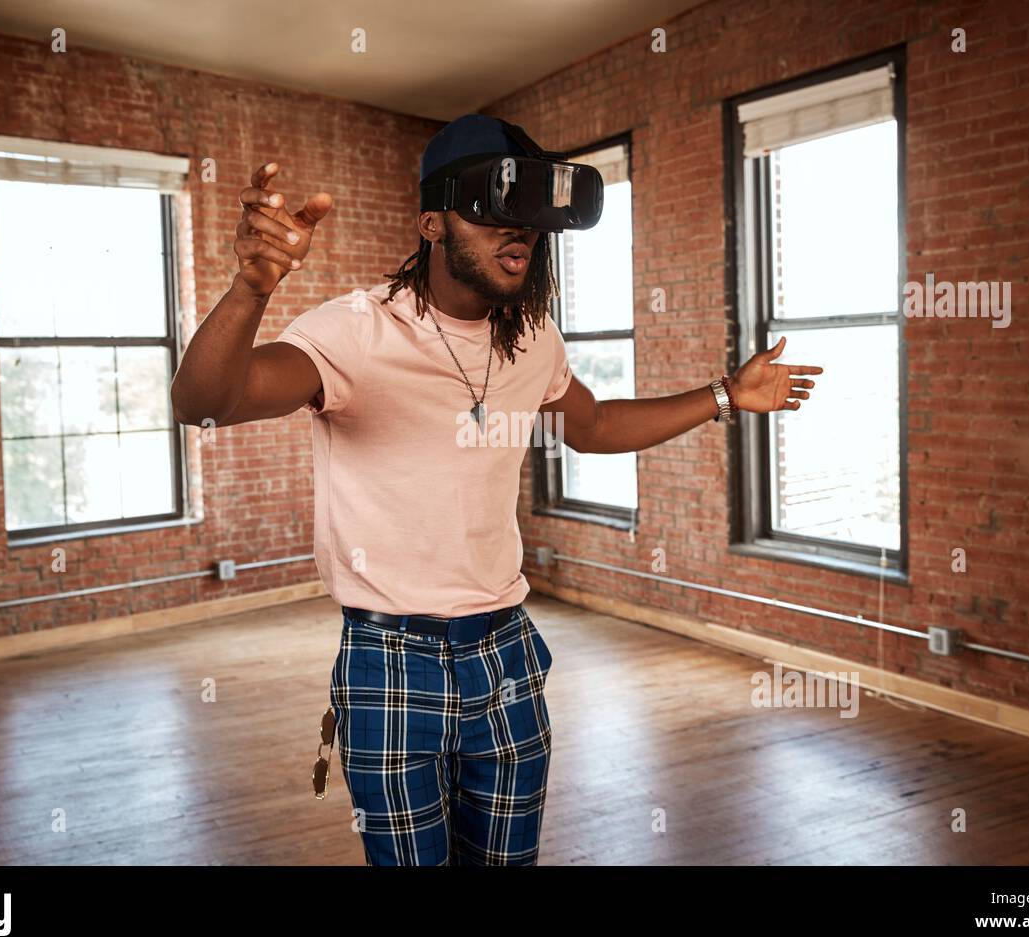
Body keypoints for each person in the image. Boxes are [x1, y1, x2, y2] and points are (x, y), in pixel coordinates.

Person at [170, 114, 823, 865]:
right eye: (490, 208)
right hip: (390, 661)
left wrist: (726, 395)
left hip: (506, 655)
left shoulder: (532, 335)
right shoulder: (357, 330)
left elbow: (595, 424)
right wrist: (253, 287)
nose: (517, 231)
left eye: (531, 215)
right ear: (432, 222)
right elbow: (206, 403)